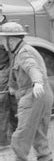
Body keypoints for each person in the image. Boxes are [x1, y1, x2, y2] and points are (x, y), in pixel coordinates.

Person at [0, 22, 54, 161]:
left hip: (34, 95)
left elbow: (32, 68)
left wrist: (36, 82)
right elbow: (16, 71)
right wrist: (12, 86)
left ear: (11, 40)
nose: (2, 44)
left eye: (3, 40)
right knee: (38, 131)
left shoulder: (24, 53)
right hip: (43, 94)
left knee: (21, 135)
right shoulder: (19, 52)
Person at [0, 14, 17, 151]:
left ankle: (5, 141)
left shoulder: (7, 30)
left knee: (5, 105)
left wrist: (11, 80)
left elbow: (13, 57)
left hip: (4, 72)